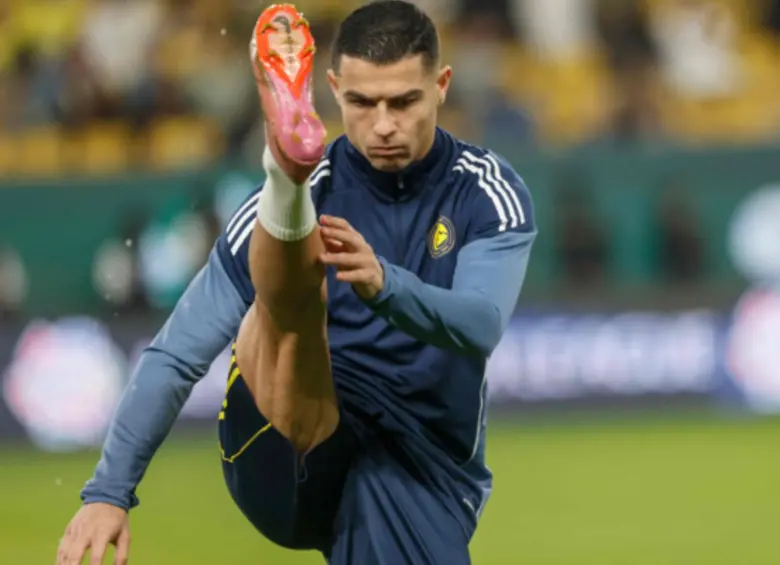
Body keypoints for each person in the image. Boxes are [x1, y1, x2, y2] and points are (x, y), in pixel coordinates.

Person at [56, 1, 537, 563]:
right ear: (332, 89)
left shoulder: (484, 192)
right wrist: (109, 491)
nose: (383, 124)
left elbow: (481, 323)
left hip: (418, 461)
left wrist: (386, 285)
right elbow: (176, 355)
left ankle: (288, 182)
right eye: (361, 102)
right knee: (296, 297)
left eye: (403, 101)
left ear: (442, 86)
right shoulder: (319, 189)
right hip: (280, 434)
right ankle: (287, 173)